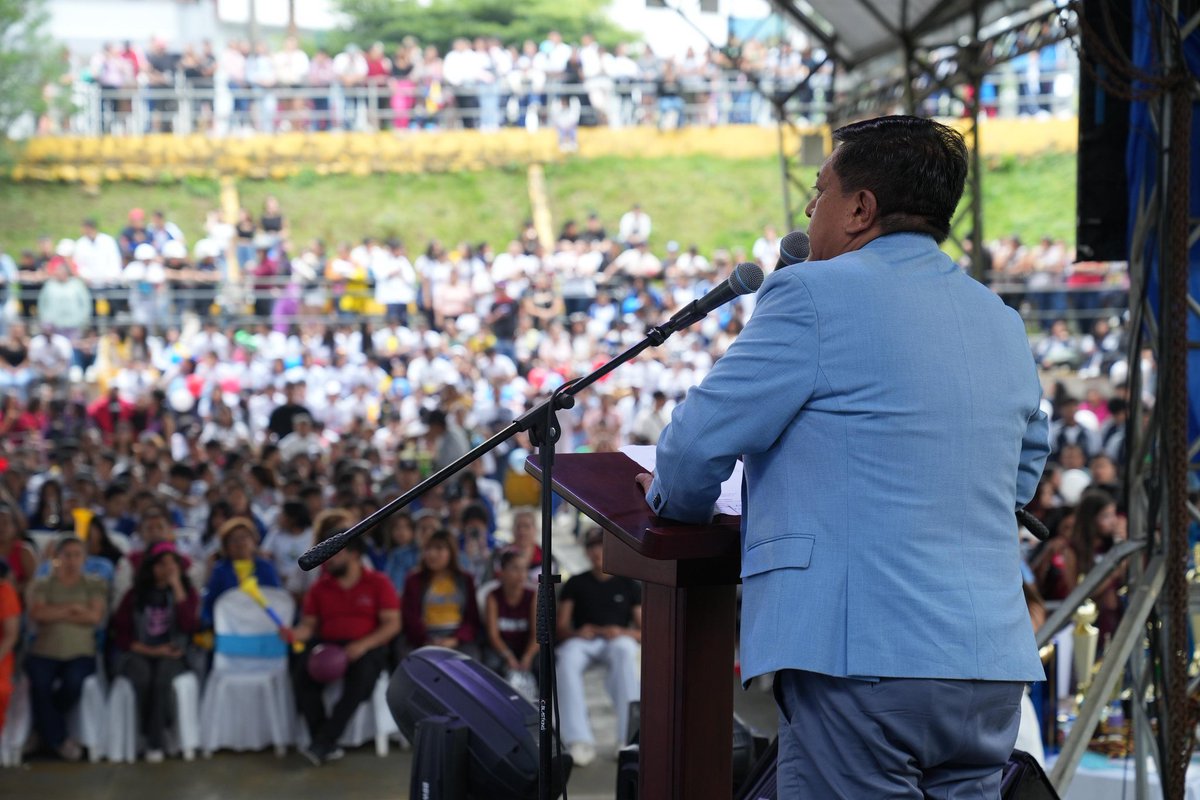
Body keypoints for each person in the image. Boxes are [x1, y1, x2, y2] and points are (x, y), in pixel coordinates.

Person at [637, 116, 1049, 797]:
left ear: (861, 208)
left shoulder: (810, 293)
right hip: (987, 663)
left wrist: (673, 510)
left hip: (863, 658)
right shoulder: (997, 317)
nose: (808, 210)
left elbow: (692, 448)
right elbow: (1023, 469)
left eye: (819, 190)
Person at [288, 534, 400, 766]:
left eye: (335, 553)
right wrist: (296, 634)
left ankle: (324, 741)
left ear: (355, 554)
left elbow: (392, 623)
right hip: (328, 646)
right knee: (302, 675)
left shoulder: (378, 582)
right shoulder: (320, 587)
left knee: (361, 679)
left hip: (367, 645)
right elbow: (309, 625)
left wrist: (363, 644)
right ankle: (323, 740)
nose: (328, 559)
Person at [555, 527, 641, 767]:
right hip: (585, 641)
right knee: (567, 660)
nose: (597, 552)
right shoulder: (576, 582)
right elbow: (560, 628)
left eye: (601, 546)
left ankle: (628, 736)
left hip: (617, 640)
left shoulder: (628, 584)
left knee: (625, 652)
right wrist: (577, 633)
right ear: (586, 551)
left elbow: (643, 631)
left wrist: (621, 631)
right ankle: (578, 739)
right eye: (592, 546)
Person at [110, 541, 198, 762]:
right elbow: (121, 633)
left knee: (162, 680)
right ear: (151, 568)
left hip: (173, 653)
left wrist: (177, 587)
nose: (167, 569)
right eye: (162, 564)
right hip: (140, 651)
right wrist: (150, 649)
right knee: (142, 678)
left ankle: (155, 740)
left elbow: (189, 626)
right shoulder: (135, 595)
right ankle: (146, 733)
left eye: (172, 564)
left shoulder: (188, 593)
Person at [25, 536, 108, 761]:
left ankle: (44, 730)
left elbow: (94, 616)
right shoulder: (44, 583)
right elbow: (38, 614)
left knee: (73, 684)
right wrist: (73, 609)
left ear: (84, 558)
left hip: (80, 651)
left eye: (77, 555)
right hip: (45, 650)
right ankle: (59, 739)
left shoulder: (94, 583)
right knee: (39, 685)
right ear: (57, 558)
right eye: (67, 555)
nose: (72, 560)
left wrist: (56, 611)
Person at [400, 529, 480, 656]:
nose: (432, 554)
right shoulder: (414, 580)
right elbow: (410, 618)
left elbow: (471, 619)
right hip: (423, 638)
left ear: (451, 552)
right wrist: (427, 641)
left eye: (439, 549)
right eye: (428, 549)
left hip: (457, 638)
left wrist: (455, 640)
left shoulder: (465, 579)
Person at [200, 516, 281, 628]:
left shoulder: (265, 567)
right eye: (233, 539)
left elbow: (276, 598)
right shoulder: (220, 570)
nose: (240, 543)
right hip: (231, 627)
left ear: (254, 540)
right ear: (226, 546)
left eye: (244, 537)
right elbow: (211, 603)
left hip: (262, 625)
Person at [483, 548, 537, 680]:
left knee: (541, 664)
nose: (521, 574)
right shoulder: (493, 597)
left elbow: (537, 635)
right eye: (515, 569)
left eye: (524, 569)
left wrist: (527, 657)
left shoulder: (533, 596)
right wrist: (508, 656)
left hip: (526, 646)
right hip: (502, 647)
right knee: (492, 664)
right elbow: (493, 635)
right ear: (502, 572)